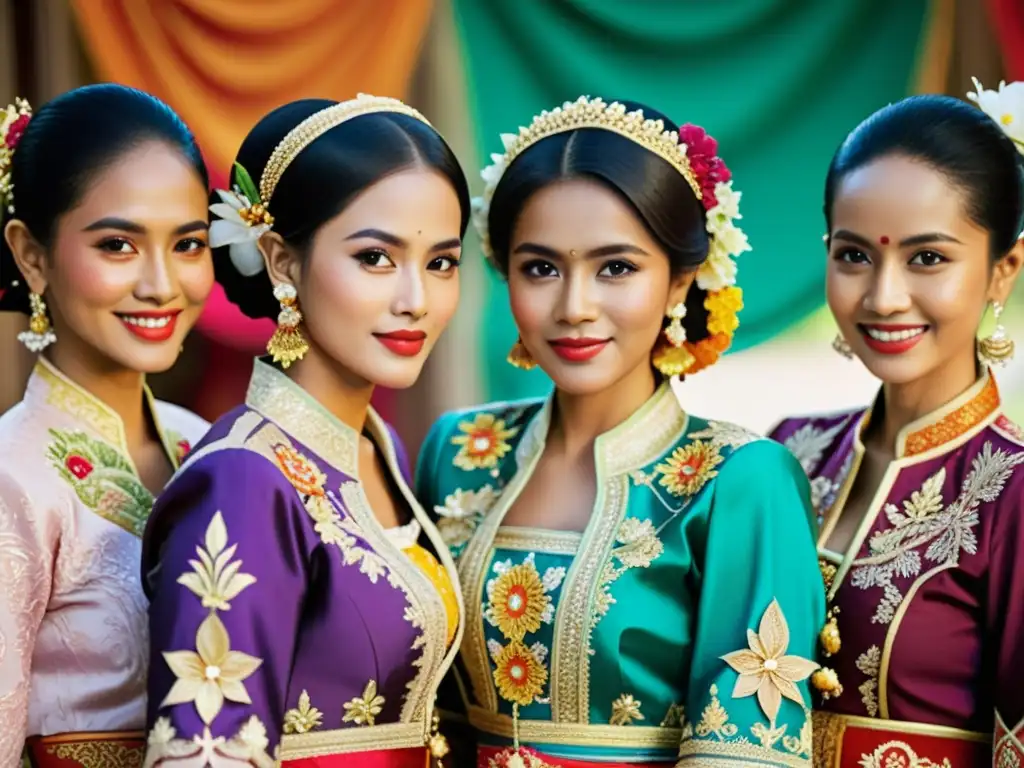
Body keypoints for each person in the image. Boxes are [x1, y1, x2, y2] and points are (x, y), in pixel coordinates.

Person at [415, 96, 825, 768]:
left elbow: (748, 750)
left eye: (617, 268)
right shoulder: (461, 452)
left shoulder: (741, 480)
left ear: (679, 284)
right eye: (541, 268)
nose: (575, 307)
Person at [141, 95, 468, 768]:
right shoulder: (241, 480)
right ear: (283, 262)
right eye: (376, 257)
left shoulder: (376, 448)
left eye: (441, 262)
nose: (417, 299)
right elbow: (207, 754)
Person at [769, 83, 1024, 768]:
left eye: (928, 258)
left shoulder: (1015, 495)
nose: (883, 296)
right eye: (855, 255)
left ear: (1004, 271)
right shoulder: (788, 450)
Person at [0, 84, 214, 766]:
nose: (161, 284)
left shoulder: (207, 445)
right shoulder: (13, 477)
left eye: (187, 244)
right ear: (32, 256)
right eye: (119, 245)